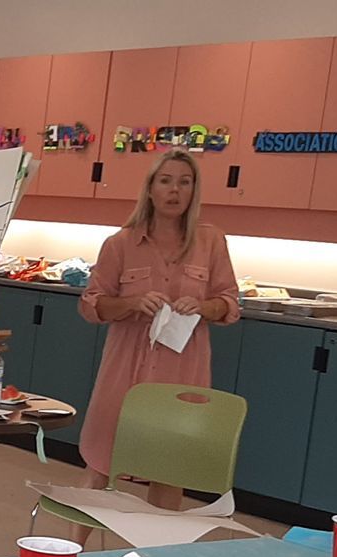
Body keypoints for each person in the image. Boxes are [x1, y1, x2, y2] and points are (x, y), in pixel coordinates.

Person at [77, 149, 239, 509]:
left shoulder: (211, 241)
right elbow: (92, 305)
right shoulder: (120, 243)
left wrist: (203, 307)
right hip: (125, 373)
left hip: (181, 374)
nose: (174, 191)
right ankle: (68, 551)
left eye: (184, 182)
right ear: (150, 188)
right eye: (165, 181)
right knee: (102, 465)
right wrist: (131, 303)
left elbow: (229, 303)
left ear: (194, 191)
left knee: (169, 470)